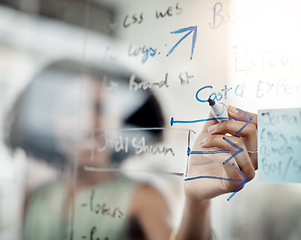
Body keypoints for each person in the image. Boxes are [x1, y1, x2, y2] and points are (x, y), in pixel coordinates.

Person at [4, 59, 258, 240]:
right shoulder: (36, 195)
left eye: (100, 109)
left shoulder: (144, 198)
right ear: (50, 121)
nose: (87, 124)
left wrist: (196, 203)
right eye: (71, 110)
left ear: (122, 121)